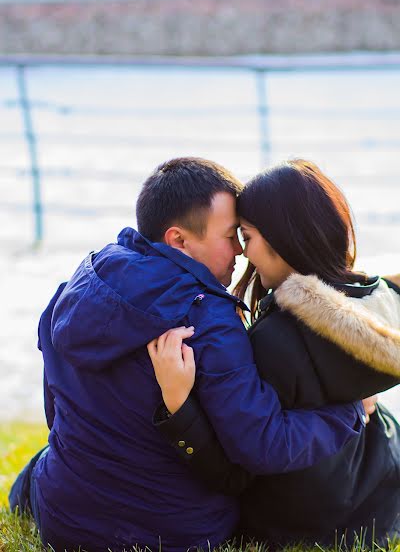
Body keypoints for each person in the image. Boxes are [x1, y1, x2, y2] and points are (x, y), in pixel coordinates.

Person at [9, 157, 367, 552]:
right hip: (173, 534)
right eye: (231, 235)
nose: (240, 252)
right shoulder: (206, 320)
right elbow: (262, 443)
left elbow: (56, 409)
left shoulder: (80, 284)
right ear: (179, 240)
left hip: (62, 520)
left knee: (49, 460)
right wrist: (348, 413)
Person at [148, 159, 400, 549]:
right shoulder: (372, 306)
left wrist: (178, 405)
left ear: (284, 238)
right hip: (378, 496)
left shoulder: (275, 340)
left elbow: (240, 462)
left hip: (299, 517)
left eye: (245, 236)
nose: (243, 252)